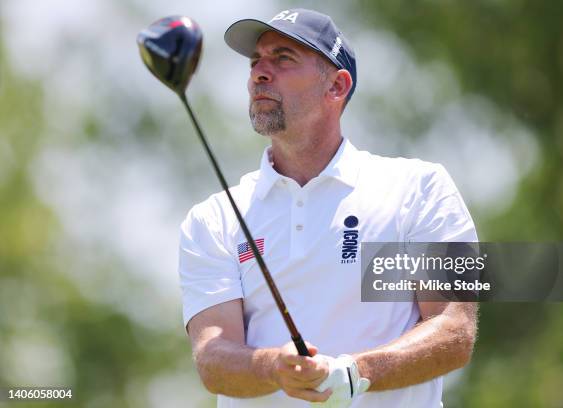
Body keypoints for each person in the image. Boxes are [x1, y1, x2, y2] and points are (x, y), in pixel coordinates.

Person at [178, 8, 478, 408]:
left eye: (283, 58)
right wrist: (273, 367)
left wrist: (356, 373)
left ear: (336, 87)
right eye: (255, 62)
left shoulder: (418, 189)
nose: (259, 73)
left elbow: (453, 330)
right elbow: (212, 359)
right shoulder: (213, 219)